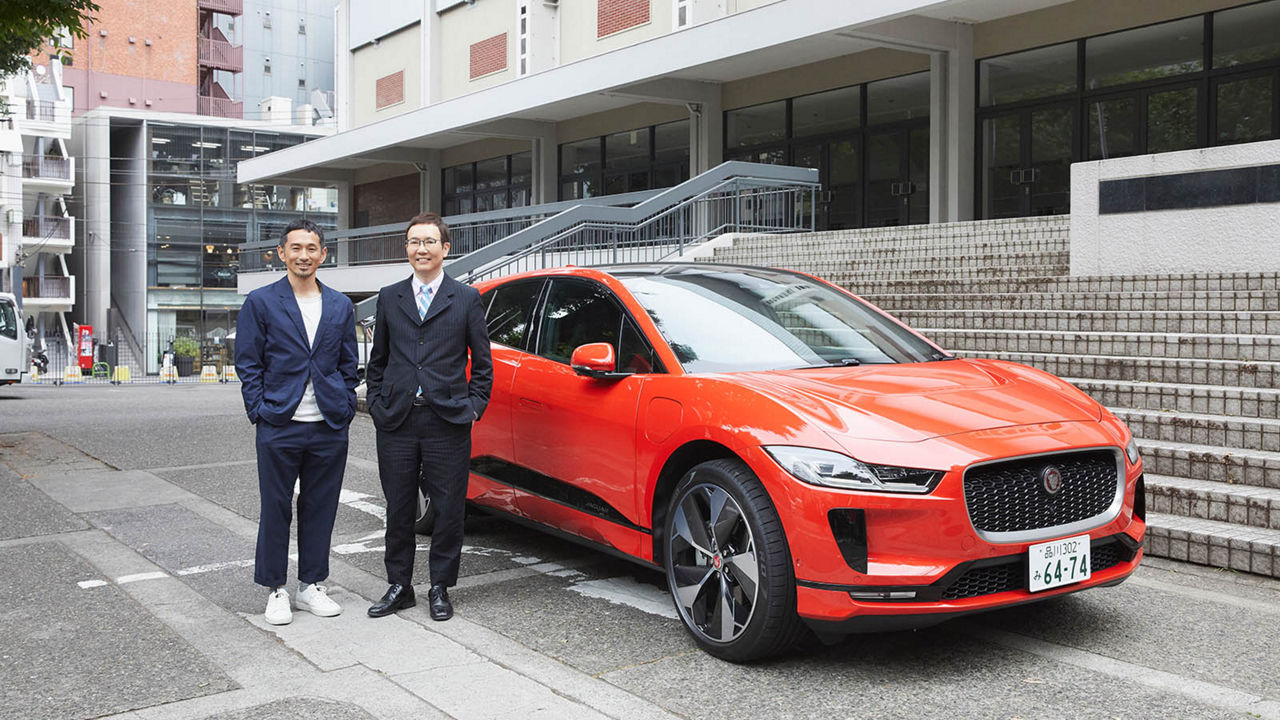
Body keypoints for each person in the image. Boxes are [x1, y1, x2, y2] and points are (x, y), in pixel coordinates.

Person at [365, 212, 493, 621]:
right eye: (413, 242)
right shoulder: (390, 297)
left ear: (445, 249)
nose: (421, 249)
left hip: (448, 422)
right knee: (398, 506)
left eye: (429, 242)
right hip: (398, 420)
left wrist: (473, 407)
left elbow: (484, 365)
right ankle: (400, 585)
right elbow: (378, 360)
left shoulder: (466, 298)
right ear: (407, 249)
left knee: (449, 508)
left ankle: (440, 587)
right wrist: (378, 402)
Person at [234, 218, 359, 625]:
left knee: (320, 506)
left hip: (327, 424)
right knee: (275, 508)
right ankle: (276, 589)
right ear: (282, 253)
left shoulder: (340, 305)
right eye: (296, 248)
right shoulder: (261, 301)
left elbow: (348, 364)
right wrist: (259, 409)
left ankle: (311, 585)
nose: (304, 255)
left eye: (312, 249)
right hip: (279, 422)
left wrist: (341, 402)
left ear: (323, 255)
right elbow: (248, 362)